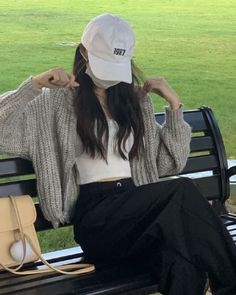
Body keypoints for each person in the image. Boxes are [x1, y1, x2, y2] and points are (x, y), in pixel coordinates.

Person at [0, 12, 236, 295]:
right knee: (181, 191)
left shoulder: (135, 102)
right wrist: (34, 86)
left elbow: (168, 163)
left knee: (182, 262)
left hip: (139, 214)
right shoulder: (57, 102)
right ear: (84, 52)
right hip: (98, 221)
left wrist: (174, 106)